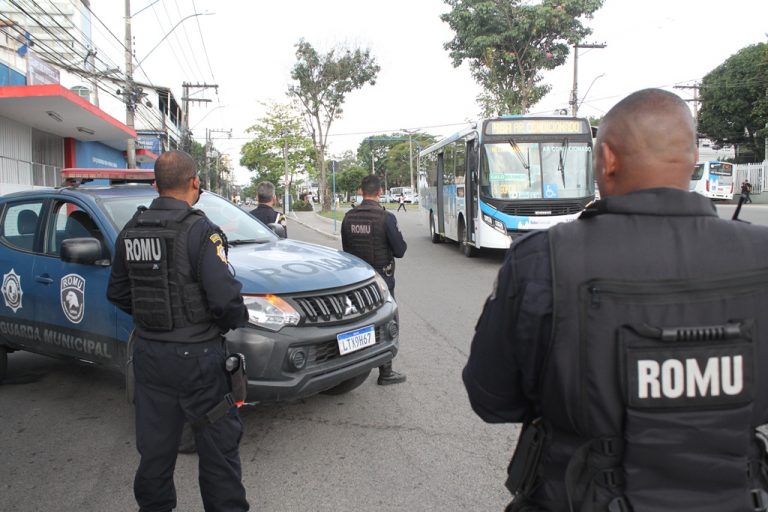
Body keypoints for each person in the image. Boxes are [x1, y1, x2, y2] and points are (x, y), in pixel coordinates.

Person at [464, 89, 768, 512]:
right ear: (693, 156)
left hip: (576, 494)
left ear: (606, 159)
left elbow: (491, 399)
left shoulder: (542, 259)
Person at [108, 150, 250, 512]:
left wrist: (155, 321)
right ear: (195, 182)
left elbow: (118, 292)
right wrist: (217, 324)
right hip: (199, 360)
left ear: (156, 184)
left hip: (150, 356)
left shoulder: (132, 229)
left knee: (155, 452)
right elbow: (226, 300)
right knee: (218, 449)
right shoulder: (201, 230)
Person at [341, 175, 407, 385]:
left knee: (357, 323)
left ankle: (351, 369)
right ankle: (385, 372)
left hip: (356, 280)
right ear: (380, 192)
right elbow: (400, 250)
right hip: (381, 280)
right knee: (386, 321)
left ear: (361, 192)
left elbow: (346, 250)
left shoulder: (349, 217)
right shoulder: (386, 218)